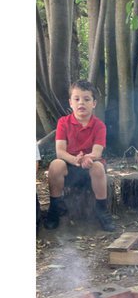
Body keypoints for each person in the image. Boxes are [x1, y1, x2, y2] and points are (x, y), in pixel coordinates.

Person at [45, 79, 115, 232]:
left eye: (86, 99)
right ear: (70, 102)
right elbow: (60, 151)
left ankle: (102, 210)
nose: (81, 103)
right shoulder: (63, 122)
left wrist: (87, 159)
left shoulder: (99, 126)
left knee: (97, 167)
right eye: (76, 99)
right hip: (69, 165)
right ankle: (54, 208)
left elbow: (97, 152)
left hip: (90, 164)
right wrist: (75, 160)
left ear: (94, 103)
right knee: (55, 165)